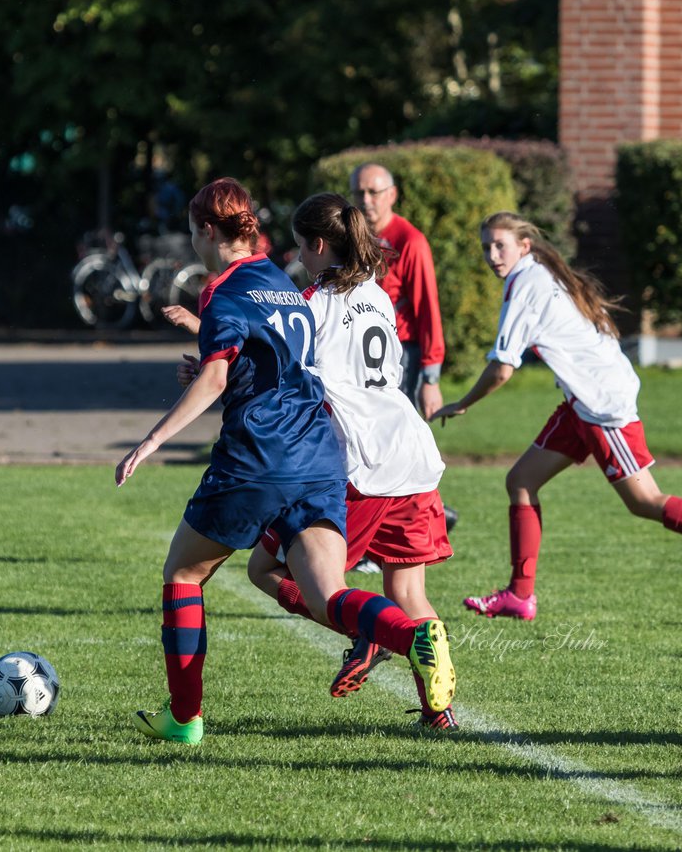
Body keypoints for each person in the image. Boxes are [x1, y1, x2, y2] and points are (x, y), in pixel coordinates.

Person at [117, 177, 454, 745]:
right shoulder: (320, 285)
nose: (297, 255)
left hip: (314, 453)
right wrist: (212, 357)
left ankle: (184, 720)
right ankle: (409, 637)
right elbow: (278, 353)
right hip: (354, 452)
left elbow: (235, 368)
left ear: (205, 230)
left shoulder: (257, 294)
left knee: (184, 571)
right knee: (333, 591)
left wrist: (154, 437)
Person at [430, 211, 682, 620]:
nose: (491, 255)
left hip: (602, 407)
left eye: (499, 245)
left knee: (644, 501)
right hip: (582, 400)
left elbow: (503, 367)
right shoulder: (539, 270)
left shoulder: (525, 283)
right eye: (486, 246)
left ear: (523, 246)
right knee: (521, 481)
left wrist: (464, 401)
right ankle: (520, 596)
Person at [247, 192, 458, 731]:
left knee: (270, 571)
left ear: (318, 245)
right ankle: (440, 714)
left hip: (361, 462)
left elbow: (275, 369)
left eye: (299, 247)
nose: (297, 258)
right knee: (409, 592)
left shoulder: (311, 303)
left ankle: (368, 633)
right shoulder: (376, 294)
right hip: (413, 451)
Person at [349, 163, 458, 536]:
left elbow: (428, 308)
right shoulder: (351, 238)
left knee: (396, 439)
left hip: (400, 355)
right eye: (360, 193)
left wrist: (431, 375)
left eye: (374, 192)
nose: (366, 200)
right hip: (355, 355)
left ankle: (421, 519)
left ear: (392, 195)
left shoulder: (410, 241)